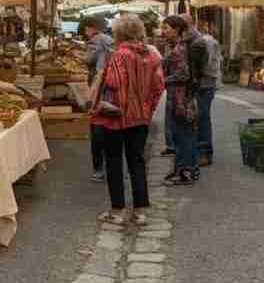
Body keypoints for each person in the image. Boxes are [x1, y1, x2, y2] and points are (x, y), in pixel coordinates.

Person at [92, 14, 164, 226]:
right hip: (140, 117)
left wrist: (101, 77)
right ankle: (140, 211)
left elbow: (114, 82)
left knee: (114, 162)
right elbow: (159, 86)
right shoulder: (152, 55)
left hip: (117, 117)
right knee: (137, 162)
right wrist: (147, 109)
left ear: (119, 33)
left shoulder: (120, 54)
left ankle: (118, 211)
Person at [160, 14, 207, 186]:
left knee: (183, 136)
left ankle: (185, 172)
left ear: (177, 29)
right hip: (181, 97)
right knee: (183, 135)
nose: (163, 31)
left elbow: (183, 74)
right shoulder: (176, 46)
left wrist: (162, 80)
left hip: (181, 99)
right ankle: (186, 169)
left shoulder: (180, 49)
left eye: (166, 28)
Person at [82, 16, 115, 183]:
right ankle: (112, 167)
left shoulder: (95, 40)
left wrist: (83, 57)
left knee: (97, 125)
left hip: (100, 82)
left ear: (91, 28)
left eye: (86, 30)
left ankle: (98, 170)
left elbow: (89, 60)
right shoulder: (110, 39)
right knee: (109, 125)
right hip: (112, 85)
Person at [196, 19, 223, 166]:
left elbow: (209, 63)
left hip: (205, 84)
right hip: (204, 83)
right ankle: (201, 151)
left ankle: (204, 152)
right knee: (201, 118)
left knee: (203, 117)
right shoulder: (203, 41)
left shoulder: (207, 42)